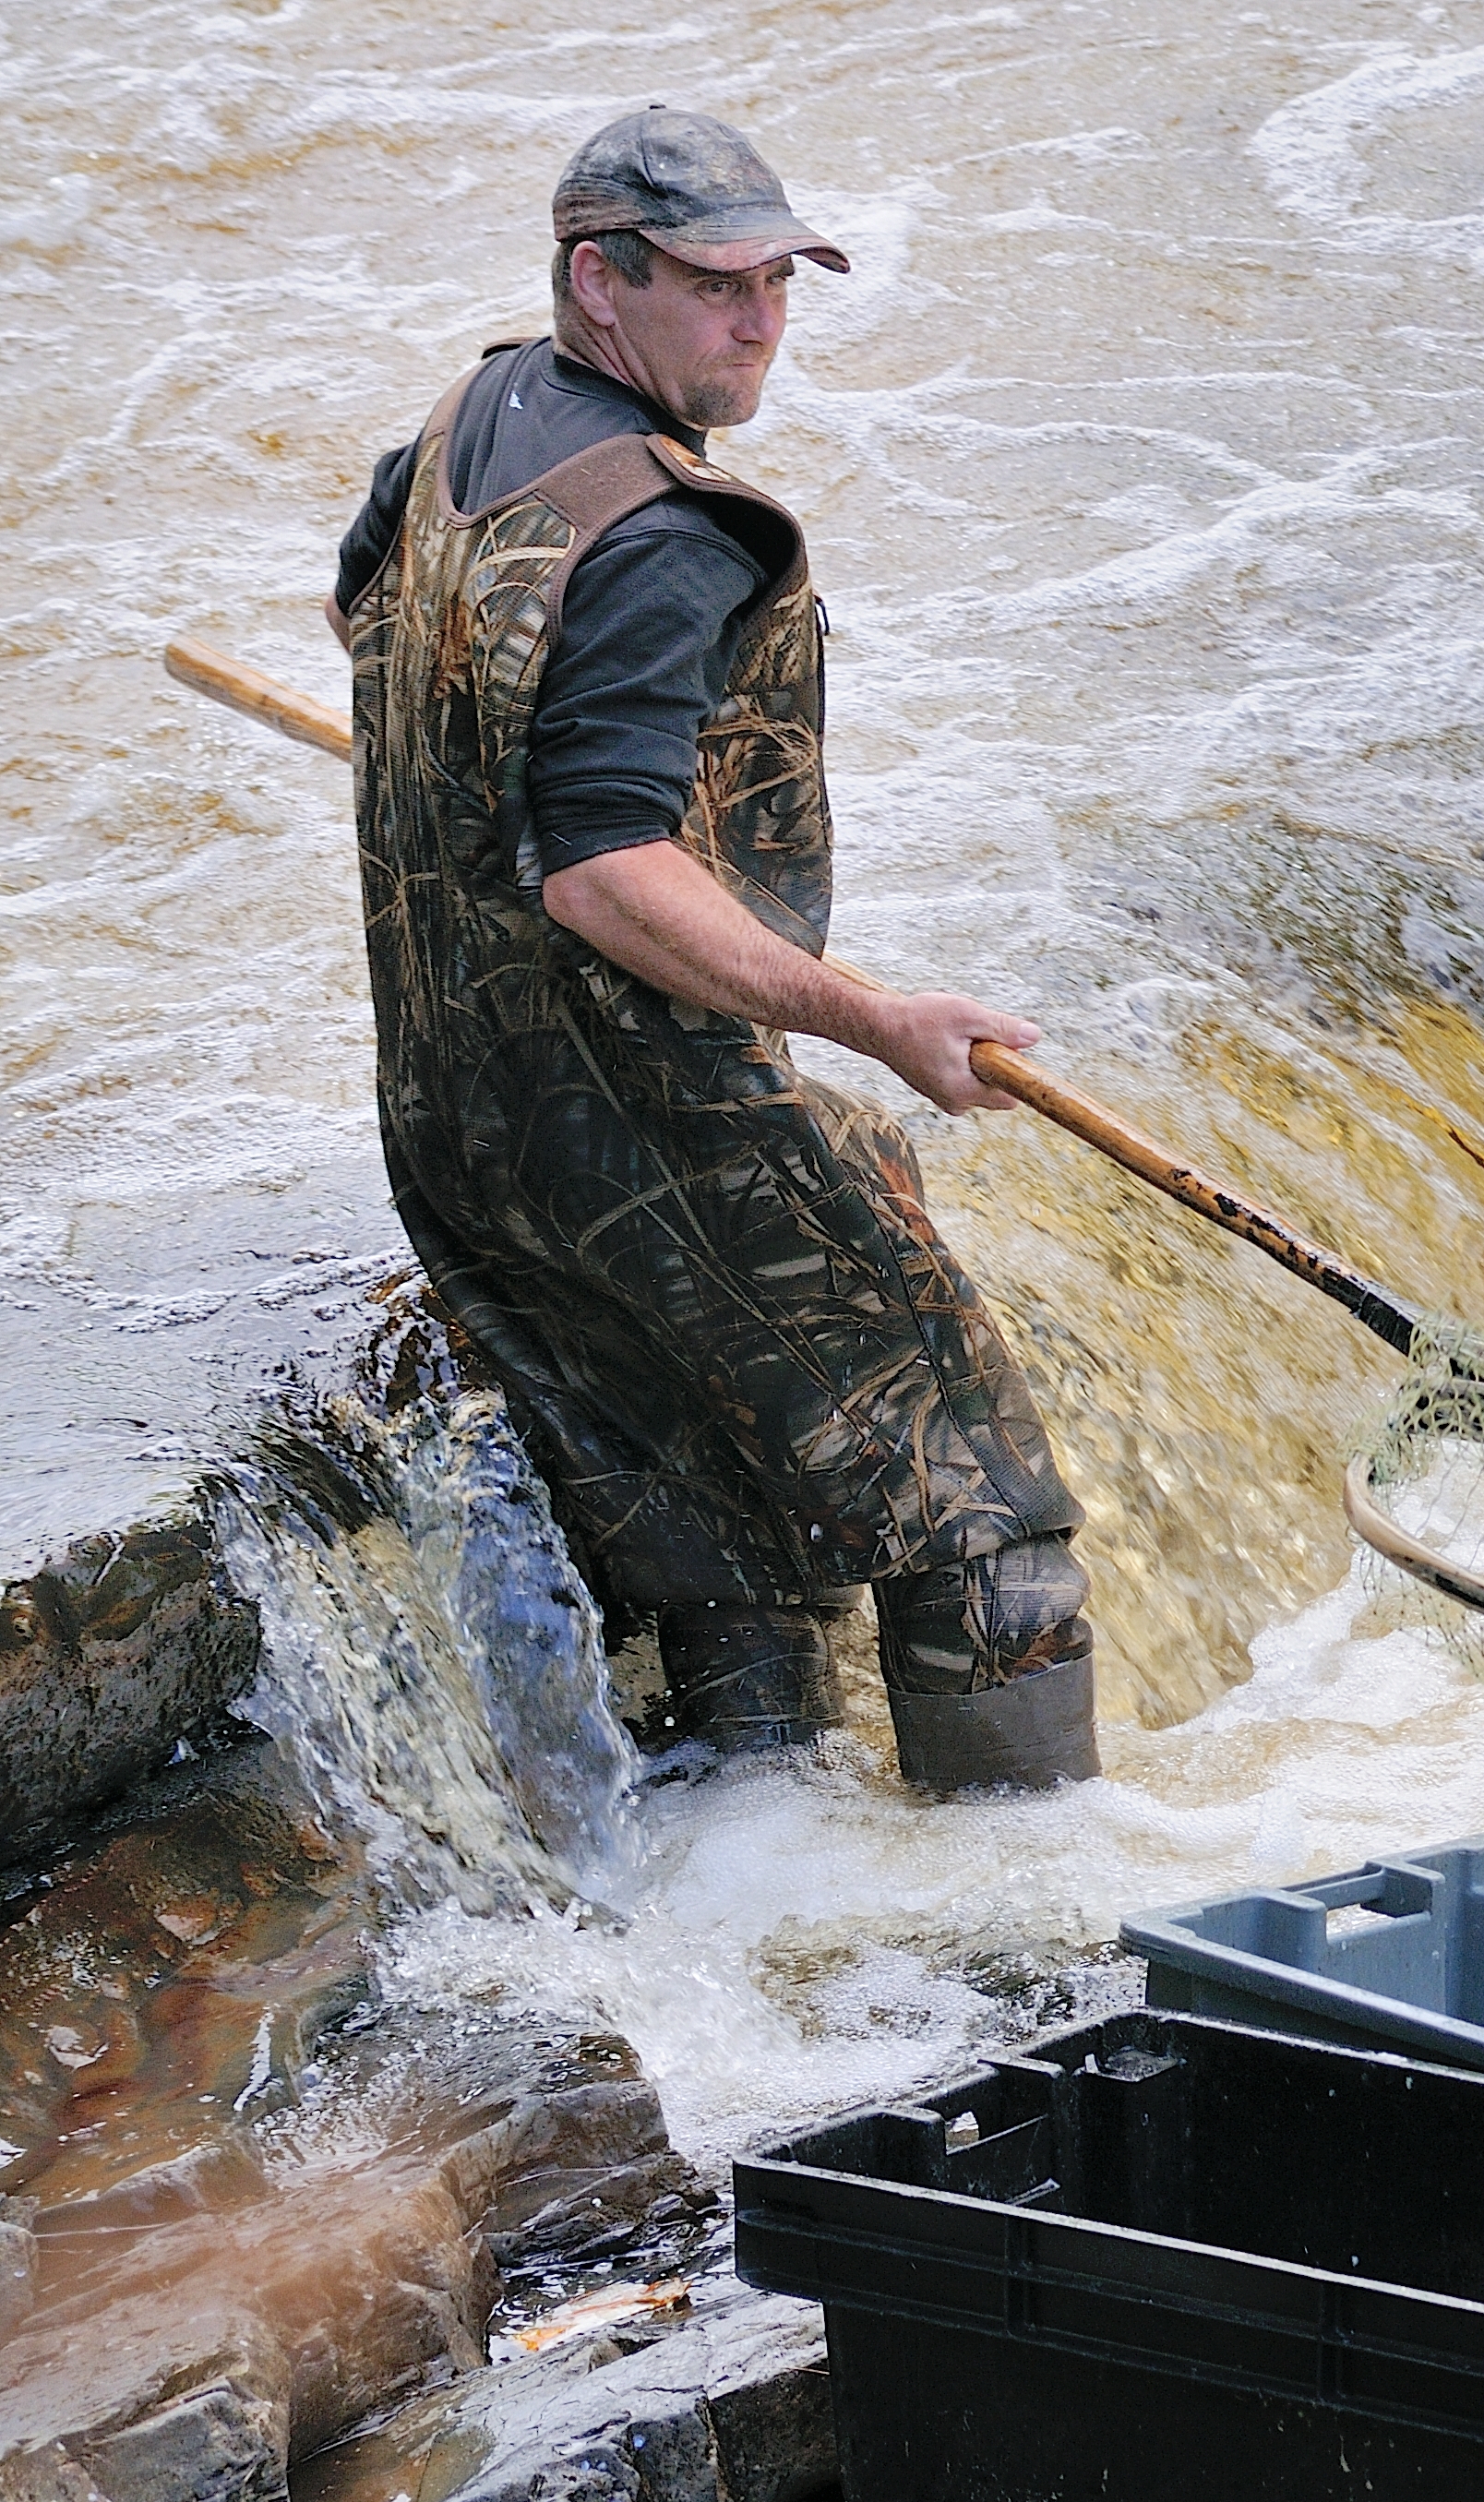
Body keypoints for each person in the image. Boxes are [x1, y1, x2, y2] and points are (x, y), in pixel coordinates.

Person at [329, 106, 1098, 1790]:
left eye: (779, 284)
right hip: (651, 1124)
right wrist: (873, 1017)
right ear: (599, 280)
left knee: (711, 1526)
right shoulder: (670, 538)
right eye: (717, 287)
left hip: (456, 1121)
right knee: (977, 1500)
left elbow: (363, 612)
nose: (759, 324)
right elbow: (603, 873)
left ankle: (763, 1900)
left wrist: (492, 759)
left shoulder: (470, 415)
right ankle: (1041, 1922)